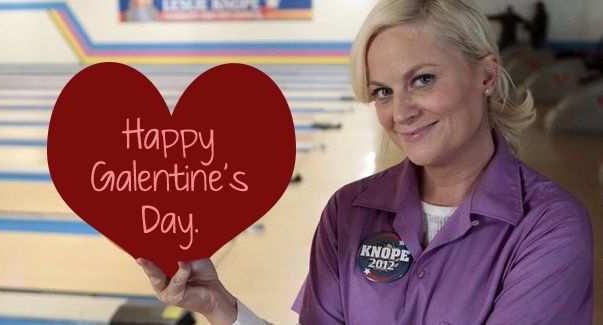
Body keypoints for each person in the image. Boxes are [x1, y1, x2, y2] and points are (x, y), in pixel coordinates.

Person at [137, 0, 594, 324]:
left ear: (487, 76)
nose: (401, 112)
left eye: (423, 79)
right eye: (383, 91)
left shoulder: (550, 228)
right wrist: (222, 308)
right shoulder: (349, 211)